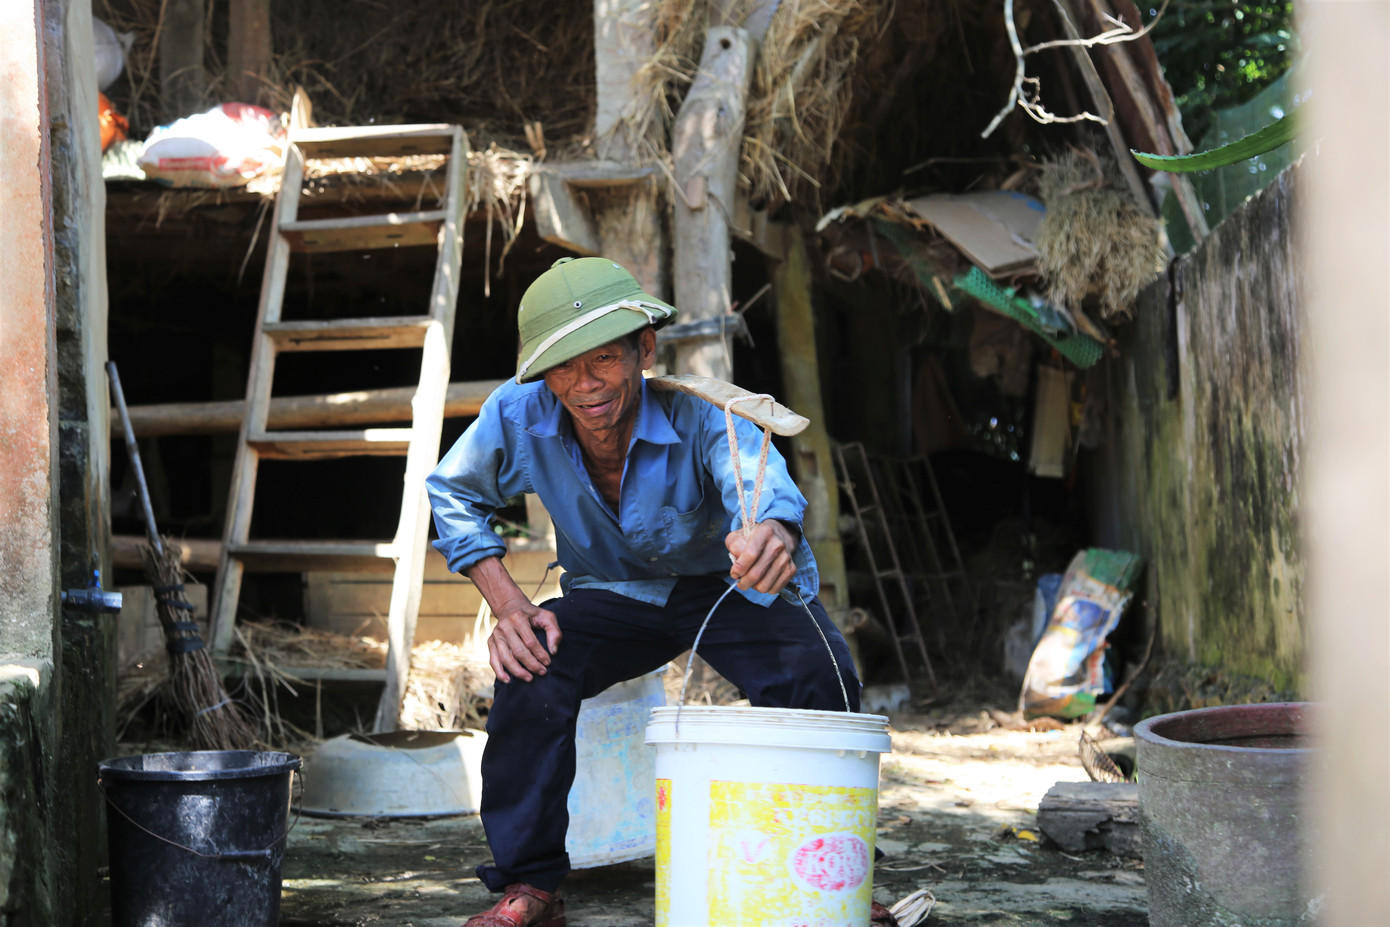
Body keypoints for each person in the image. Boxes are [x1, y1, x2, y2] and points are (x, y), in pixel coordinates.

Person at [426, 256, 862, 927]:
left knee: (819, 674)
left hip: (725, 584)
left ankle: (829, 880)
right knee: (530, 663)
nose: (585, 383)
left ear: (644, 350)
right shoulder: (519, 412)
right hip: (611, 591)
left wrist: (768, 530)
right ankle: (530, 884)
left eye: (602, 358)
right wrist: (509, 604)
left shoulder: (699, 412)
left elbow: (756, 474)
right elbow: (450, 491)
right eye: (564, 366)